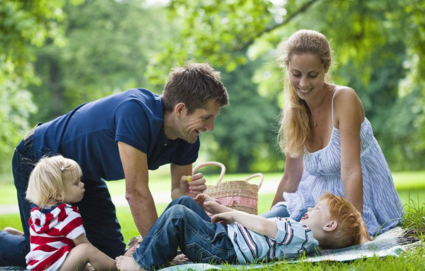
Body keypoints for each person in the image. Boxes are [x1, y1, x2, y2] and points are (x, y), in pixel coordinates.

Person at [0, 63, 229, 267]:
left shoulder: (188, 137)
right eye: (206, 117)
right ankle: (14, 240)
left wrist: (186, 194)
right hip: (40, 160)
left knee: (108, 256)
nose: (211, 127)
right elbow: (137, 193)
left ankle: (29, 235)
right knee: (44, 258)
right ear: (180, 110)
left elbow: (177, 193)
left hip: (82, 176)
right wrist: (159, 255)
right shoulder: (135, 112)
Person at [261, 29, 404, 237]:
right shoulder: (295, 110)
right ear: (287, 69)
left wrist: (357, 227)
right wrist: (268, 224)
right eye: (296, 74)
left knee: (309, 239)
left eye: (312, 75)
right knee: (261, 225)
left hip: (352, 201)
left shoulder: (344, 99)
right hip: (314, 201)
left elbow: (351, 171)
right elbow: (291, 177)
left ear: (326, 67)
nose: (303, 84)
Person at [115, 193, 368, 271]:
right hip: (225, 239)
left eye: (318, 209)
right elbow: (255, 227)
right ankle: (151, 253)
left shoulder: (302, 236)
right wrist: (218, 208)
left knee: (178, 215)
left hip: (223, 249)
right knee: (183, 202)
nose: (310, 208)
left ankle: (140, 265)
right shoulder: (300, 233)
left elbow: (262, 225)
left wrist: (233, 214)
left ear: (330, 226)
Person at [24, 155, 125, 271]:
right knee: (86, 249)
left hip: (40, 267)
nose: (82, 184)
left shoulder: (38, 212)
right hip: (54, 267)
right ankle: (116, 267)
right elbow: (81, 244)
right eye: (76, 183)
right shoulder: (66, 214)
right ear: (58, 193)